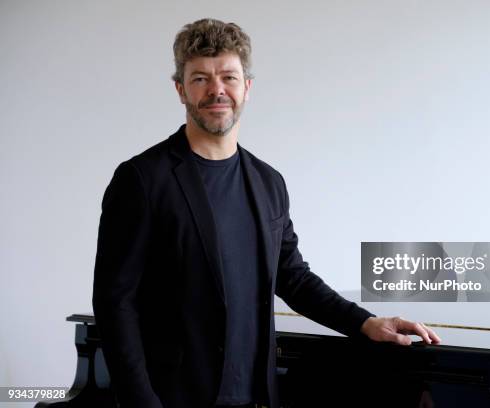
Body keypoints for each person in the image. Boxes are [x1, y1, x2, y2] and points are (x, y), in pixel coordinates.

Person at [92, 18, 440, 408]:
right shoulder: (141, 179)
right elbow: (114, 303)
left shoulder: (268, 182)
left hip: (258, 397)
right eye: (200, 79)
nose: (217, 90)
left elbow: (293, 278)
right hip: (175, 398)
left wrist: (364, 322)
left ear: (247, 87)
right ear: (180, 90)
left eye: (228, 77)